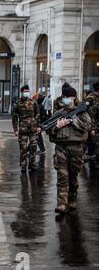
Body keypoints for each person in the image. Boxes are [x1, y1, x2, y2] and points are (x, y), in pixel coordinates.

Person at [47, 84, 92, 214]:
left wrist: (74, 121)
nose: (65, 99)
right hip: (61, 148)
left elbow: (88, 126)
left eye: (68, 97)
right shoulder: (58, 113)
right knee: (62, 176)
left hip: (77, 148)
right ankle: (61, 203)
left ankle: (72, 199)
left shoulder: (82, 112)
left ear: (74, 98)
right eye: (64, 97)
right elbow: (50, 132)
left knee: (73, 177)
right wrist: (58, 126)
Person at [12, 85, 40, 173]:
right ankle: (23, 165)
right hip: (23, 129)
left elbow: (37, 114)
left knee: (33, 147)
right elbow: (14, 117)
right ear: (22, 92)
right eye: (25, 91)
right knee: (23, 148)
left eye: (28, 91)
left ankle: (32, 164)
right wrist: (15, 129)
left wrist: (38, 125)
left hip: (33, 129)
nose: (27, 93)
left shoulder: (33, 102)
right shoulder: (17, 103)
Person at [86, 82, 99, 167]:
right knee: (94, 143)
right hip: (93, 125)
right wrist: (92, 128)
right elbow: (89, 114)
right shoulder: (90, 98)